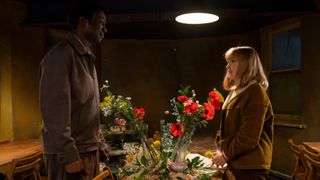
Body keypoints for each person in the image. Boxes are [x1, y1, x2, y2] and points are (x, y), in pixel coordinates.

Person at [39, 2, 107, 179]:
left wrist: (97, 142)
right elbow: (54, 112)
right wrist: (69, 154)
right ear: (84, 23)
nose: (104, 29)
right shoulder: (60, 57)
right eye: (101, 23)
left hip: (86, 150)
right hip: (69, 156)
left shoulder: (87, 57)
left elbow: (85, 108)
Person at [213, 46, 274, 180]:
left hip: (250, 166)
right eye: (227, 62)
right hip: (235, 163)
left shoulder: (255, 92)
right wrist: (220, 148)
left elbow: (249, 137)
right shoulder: (235, 92)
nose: (227, 66)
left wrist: (225, 155)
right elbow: (226, 129)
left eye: (233, 61)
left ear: (247, 64)